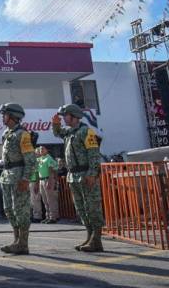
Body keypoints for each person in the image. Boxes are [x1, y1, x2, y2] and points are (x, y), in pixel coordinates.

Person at [54, 104, 104, 252]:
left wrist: (92, 174)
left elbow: (94, 154)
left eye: (65, 116)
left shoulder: (85, 131)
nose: (63, 118)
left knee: (92, 207)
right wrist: (55, 125)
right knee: (81, 209)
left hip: (85, 174)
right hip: (73, 176)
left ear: (74, 116)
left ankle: (97, 239)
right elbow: (58, 133)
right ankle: (90, 237)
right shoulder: (69, 131)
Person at [0, 103, 36, 255]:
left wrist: (26, 179)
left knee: (21, 210)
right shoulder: (6, 133)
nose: (2, 117)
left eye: (5, 114)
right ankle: (16, 240)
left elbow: (30, 159)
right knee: (9, 210)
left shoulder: (23, 134)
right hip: (7, 176)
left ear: (13, 116)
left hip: (19, 176)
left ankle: (23, 243)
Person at [37, 146, 59, 223]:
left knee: (50, 199)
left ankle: (53, 217)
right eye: (40, 149)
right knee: (45, 199)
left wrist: (50, 181)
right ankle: (48, 216)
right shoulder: (40, 159)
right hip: (41, 180)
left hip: (48, 179)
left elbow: (51, 170)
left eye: (43, 149)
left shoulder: (48, 158)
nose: (41, 150)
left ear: (47, 150)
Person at [29, 148, 44, 223]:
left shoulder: (37, 162)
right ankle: (32, 215)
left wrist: (37, 184)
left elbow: (38, 173)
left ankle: (38, 216)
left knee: (36, 200)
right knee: (31, 201)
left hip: (35, 182)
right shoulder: (32, 162)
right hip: (30, 181)